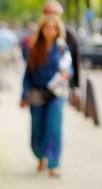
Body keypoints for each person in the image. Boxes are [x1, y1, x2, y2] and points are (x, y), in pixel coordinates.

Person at [20, 14, 73, 177]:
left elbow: (70, 68)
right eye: (47, 27)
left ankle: (53, 163)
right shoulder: (34, 47)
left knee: (54, 128)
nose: (50, 31)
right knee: (38, 129)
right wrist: (23, 95)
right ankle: (40, 156)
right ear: (42, 29)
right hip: (37, 93)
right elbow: (27, 73)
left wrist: (67, 74)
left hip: (56, 94)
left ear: (58, 30)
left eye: (54, 28)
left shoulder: (62, 48)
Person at [43, 0, 82, 106]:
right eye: (48, 13)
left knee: (54, 120)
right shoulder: (38, 36)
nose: (51, 17)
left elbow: (75, 61)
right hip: (39, 88)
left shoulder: (68, 35)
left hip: (60, 88)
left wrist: (76, 87)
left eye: (54, 13)